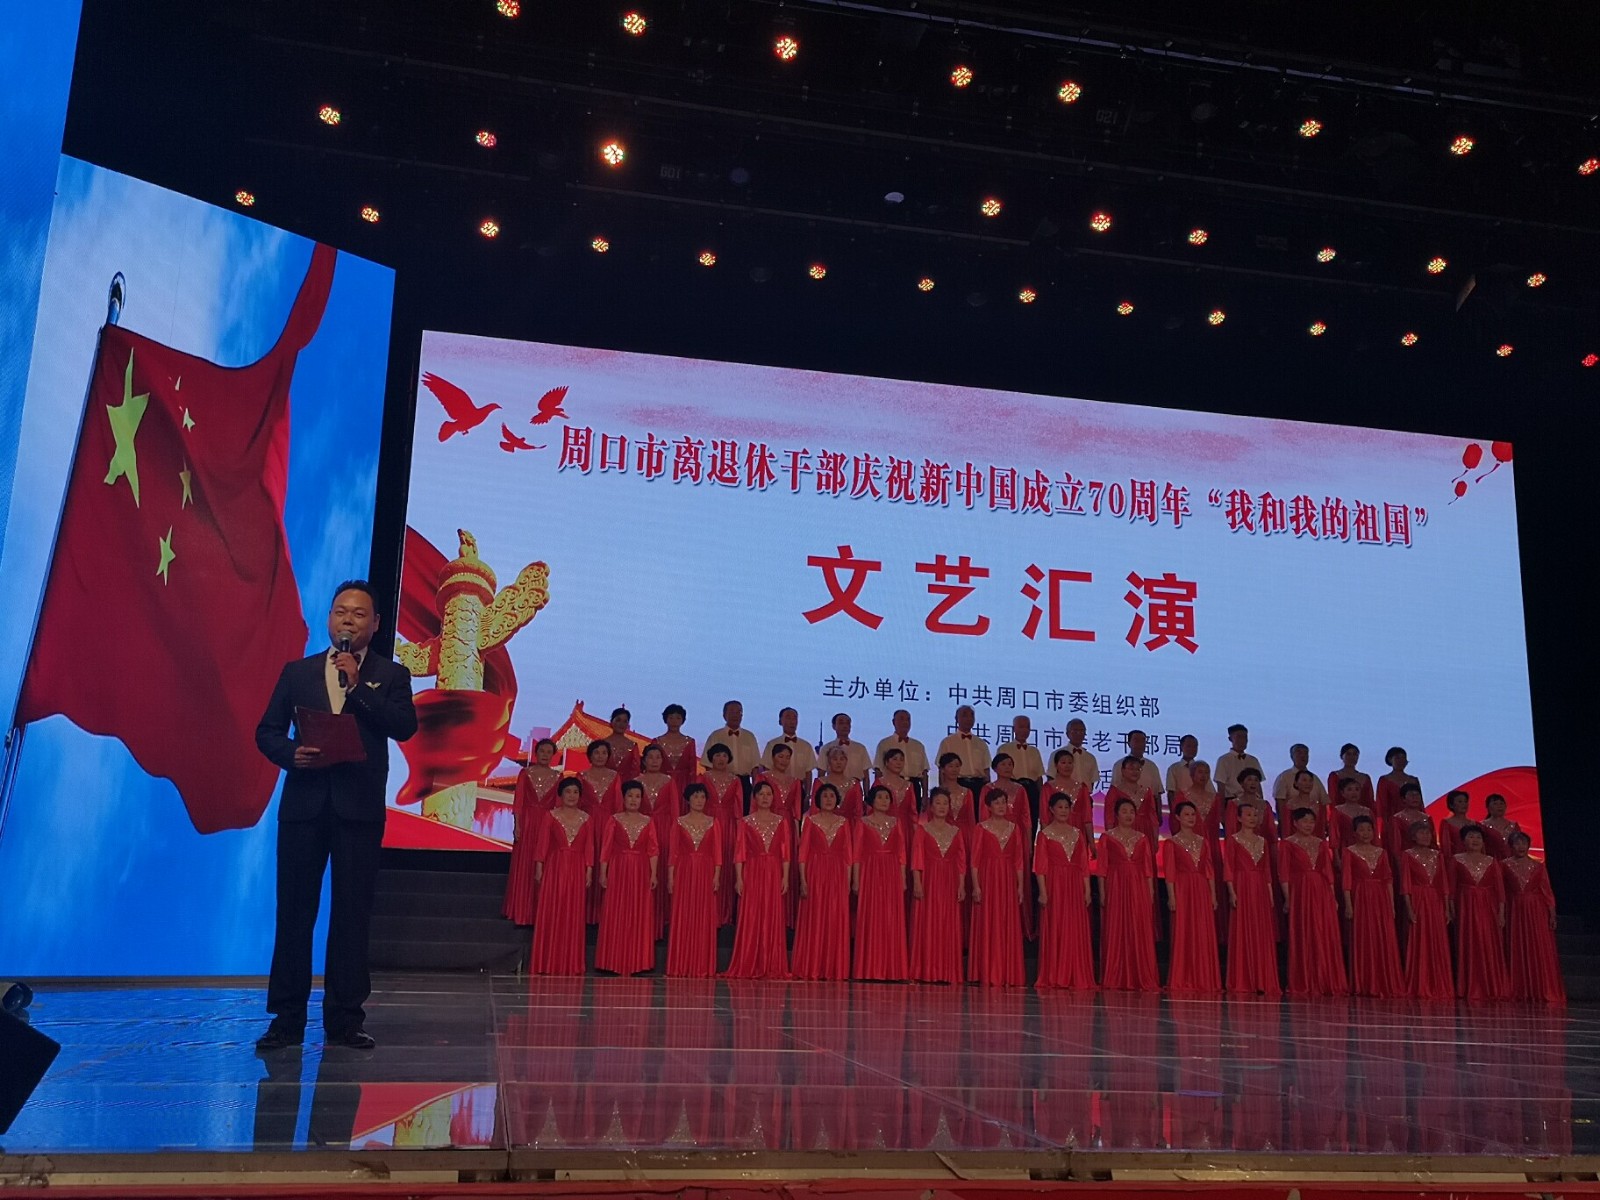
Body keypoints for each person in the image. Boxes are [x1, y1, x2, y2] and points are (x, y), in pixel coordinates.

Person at [254, 580, 418, 1052]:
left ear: (376, 624)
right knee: (294, 914)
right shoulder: (298, 672)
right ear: (329, 618)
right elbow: (267, 732)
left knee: (351, 916)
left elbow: (404, 727)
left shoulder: (390, 675)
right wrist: (291, 754)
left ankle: (345, 1019)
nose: (348, 619)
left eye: (359, 613)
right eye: (341, 611)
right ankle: (286, 1019)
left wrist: (358, 686)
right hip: (304, 808)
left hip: (358, 811)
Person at [724, 780, 791, 979]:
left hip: (773, 871)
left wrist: (785, 877)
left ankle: (771, 962)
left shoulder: (781, 822)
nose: (765, 798)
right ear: (754, 797)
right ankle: (748, 960)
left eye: (769, 794)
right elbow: (740, 853)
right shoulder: (745, 822)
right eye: (761, 794)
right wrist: (739, 878)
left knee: (772, 913)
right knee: (751, 914)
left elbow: (786, 854)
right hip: (752, 871)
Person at [529, 778, 594, 977]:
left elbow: (589, 847)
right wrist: (539, 867)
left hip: (577, 868)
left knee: (573, 913)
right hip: (555, 868)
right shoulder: (551, 816)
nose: (572, 796)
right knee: (552, 910)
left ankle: (570, 962)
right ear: (561, 794)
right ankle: (547, 960)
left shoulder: (587, 819)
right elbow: (542, 844)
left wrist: (589, 870)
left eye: (575, 792)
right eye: (568, 791)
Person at [1278, 807, 1347, 997]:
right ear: (1295, 823)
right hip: (1301, 891)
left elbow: (1328, 872)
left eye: (1311, 821)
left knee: (1324, 932)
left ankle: (1327, 979)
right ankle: (1306, 979)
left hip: (1322, 891)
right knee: (1305, 931)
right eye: (1305, 821)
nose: (1309, 825)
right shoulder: (1287, 844)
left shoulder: (1321, 843)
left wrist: (1333, 896)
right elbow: (1284, 873)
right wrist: (1288, 898)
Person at [595, 780, 659, 976]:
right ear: (623, 798)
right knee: (617, 910)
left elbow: (653, 850)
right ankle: (612, 960)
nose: (633, 800)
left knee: (639, 911)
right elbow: (606, 848)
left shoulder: (648, 821)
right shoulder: (614, 820)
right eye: (630, 796)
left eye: (637, 796)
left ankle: (638, 961)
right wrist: (603, 872)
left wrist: (654, 873)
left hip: (640, 870)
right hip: (619, 869)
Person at [1033, 792, 1095, 990]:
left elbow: (1084, 865)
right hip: (1055, 885)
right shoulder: (1044, 835)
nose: (1063, 811)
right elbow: (1040, 867)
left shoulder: (1078, 833)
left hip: (1075, 885)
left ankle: (1076, 973)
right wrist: (1043, 892)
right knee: (1057, 926)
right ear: (1051, 809)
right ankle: (1056, 973)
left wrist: (1087, 890)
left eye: (1066, 807)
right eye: (1059, 807)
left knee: (1075, 928)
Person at [792, 783, 852, 980]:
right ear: (818, 799)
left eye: (832, 796)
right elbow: (803, 853)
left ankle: (833, 967)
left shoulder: (843, 822)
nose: (828, 799)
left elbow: (848, 855)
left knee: (835, 917)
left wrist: (848, 881)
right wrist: (803, 880)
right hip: (816, 872)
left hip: (837, 873)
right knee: (815, 916)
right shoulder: (810, 821)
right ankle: (813, 965)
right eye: (825, 795)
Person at [1098, 798, 1158, 991]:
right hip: (1116, 884)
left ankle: (1140, 974)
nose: (1129, 815)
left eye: (1131, 811)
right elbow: (1102, 869)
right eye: (1124, 811)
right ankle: (1116, 975)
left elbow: (1148, 869)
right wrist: (1103, 892)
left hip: (1138, 886)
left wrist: (1150, 891)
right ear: (1116, 814)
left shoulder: (1142, 838)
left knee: (1138, 926)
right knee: (1117, 926)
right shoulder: (1107, 837)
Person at [968, 788, 1025, 986]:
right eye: (997, 803)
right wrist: (976, 886)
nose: (1001, 806)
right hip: (988, 878)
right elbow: (975, 861)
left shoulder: (1014, 828)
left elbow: (1019, 861)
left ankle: (1008, 972)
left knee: (1007, 921)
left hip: (1007, 879)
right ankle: (988, 970)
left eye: (1003, 802)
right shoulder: (981, 828)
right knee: (989, 921)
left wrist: (1020, 886)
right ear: (989, 807)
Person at [1341, 815, 1403, 998]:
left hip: (1381, 898)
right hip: (1361, 897)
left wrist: (1391, 905)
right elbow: (1346, 881)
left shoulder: (1381, 852)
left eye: (1369, 829)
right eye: (1361, 829)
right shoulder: (1349, 852)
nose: (1366, 833)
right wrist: (1349, 905)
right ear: (1354, 832)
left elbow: (1388, 879)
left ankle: (1386, 980)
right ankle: (1365, 982)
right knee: (1364, 937)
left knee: (1383, 937)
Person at [909, 788, 968, 984]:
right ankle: (926, 970)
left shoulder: (956, 831)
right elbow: (917, 858)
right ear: (931, 807)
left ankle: (948, 971)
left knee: (947, 923)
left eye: (945, 803)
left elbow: (961, 862)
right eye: (938, 803)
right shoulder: (922, 830)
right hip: (929, 880)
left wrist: (961, 885)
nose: (942, 807)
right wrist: (917, 882)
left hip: (950, 881)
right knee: (929, 922)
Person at [1222, 800, 1279, 997]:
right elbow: (1229, 868)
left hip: (1260, 888)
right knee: (1243, 928)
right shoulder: (1233, 840)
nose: (1252, 818)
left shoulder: (1263, 841)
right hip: (1242, 886)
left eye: (1255, 815)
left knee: (1261, 931)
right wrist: (1232, 892)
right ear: (1239, 818)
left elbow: (1267, 871)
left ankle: (1263, 979)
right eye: (1248, 815)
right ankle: (1244, 978)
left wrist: (1270, 893)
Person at [1163, 800, 1221, 993]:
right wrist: (1172, 896)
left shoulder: (1203, 841)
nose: (1190, 818)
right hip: (1183, 889)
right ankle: (1184, 976)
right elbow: (1170, 872)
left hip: (1201, 889)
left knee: (1203, 931)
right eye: (1186, 814)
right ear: (1177, 817)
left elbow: (1209, 870)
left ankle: (1204, 977)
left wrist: (1213, 895)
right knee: (1184, 931)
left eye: (1193, 814)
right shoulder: (1171, 843)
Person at [853, 784, 909, 981]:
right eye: (880, 797)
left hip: (891, 872)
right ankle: (869, 968)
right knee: (871, 916)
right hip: (871, 872)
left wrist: (903, 878)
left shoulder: (896, 822)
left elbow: (901, 853)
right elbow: (857, 854)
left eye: (887, 797)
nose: (884, 801)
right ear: (872, 800)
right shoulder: (863, 822)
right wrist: (856, 880)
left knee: (891, 917)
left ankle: (892, 968)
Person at [665, 783, 721, 978]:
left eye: (702, 797)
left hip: (705, 871)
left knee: (703, 915)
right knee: (684, 914)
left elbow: (717, 853)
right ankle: (681, 963)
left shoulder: (713, 822)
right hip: (684, 871)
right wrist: (671, 877)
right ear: (688, 799)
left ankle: (702, 964)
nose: (699, 800)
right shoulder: (679, 822)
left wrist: (716, 875)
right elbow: (673, 852)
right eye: (695, 796)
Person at [504, 737, 560, 926]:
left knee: (542, 866)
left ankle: (539, 913)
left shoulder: (558, 777)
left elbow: (558, 806)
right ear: (536, 753)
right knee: (524, 865)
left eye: (549, 752)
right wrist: (517, 825)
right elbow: (519, 801)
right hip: (527, 823)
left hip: (547, 824)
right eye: (542, 751)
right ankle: (520, 911)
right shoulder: (525, 773)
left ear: (553, 755)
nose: (545, 755)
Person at [1451, 824, 1510, 1001]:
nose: (1475, 840)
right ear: (1463, 841)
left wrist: (1501, 913)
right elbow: (1451, 888)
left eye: (1478, 837)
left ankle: (1492, 985)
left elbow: (1500, 890)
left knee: (1488, 943)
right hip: (1466, 906)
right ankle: (1470, 986)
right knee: (1469, 942)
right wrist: (1451, 909)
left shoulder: (1492, 861)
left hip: (1488, 906)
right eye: (1470, 837)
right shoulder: (1456, 860)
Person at [1504, 831, 1564, 1004]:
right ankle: (1520, 988)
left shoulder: (1538, 866)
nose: (1521, 846)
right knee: (1517, 946)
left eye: (1524, 843)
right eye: (1517, 843)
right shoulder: (1503, 865)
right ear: (1511, 846)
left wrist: (1551, 913)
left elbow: (1547, 891)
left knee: (1538, 947)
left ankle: (1541, 988)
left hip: (1536, 911)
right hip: (1515, 909)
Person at [1398, 821, 1454, 1002]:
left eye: (1428, 833)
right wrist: (1409, 908)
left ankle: (1440, 983)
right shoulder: (1407, 855)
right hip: (1418, 899)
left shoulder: (1438, 855)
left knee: (1438, 940)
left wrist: (1446, 908)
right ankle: (1420, 983)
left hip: (1435, 900)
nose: (1425, 836)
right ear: (1413, 836)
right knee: (1420, 938)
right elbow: (1406, 884)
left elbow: (1444, 884)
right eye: (1421, 833)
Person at [635, 744, 681, 939]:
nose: (654, 761)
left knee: (662, 871)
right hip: (641, 830)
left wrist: (674, 835)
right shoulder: (636, 781)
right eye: (650, 757)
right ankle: (643, 920)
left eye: (658, 757)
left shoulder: (669, 782)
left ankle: (661, 920)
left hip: (664, 829)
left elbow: (675, 811)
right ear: (644, 760)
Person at [701, 744, 745, 925]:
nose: (721, 759)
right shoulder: (703, 778)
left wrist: (738, 831)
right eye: (717, 755)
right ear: (711, 757)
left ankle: (725, 914)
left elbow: (738, 808)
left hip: (728, 826)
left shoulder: (735, 780)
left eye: (724, 755)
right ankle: (707, 911)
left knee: (726, 866)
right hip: (707, 824)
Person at [994, 715, 1045, 828]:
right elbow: (999, 773)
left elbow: (1039, 777)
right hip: (1012, 790)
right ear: (1014, 729)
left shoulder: (1034, 751)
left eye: (1027, 727)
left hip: (1031, 791)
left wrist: (1041, 799)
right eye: (1021, 727)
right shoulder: (1004, 749)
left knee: (1031, 824)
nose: (1025, 730)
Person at [701, 700, 761, 790]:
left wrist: (756, 788)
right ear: (724, 715)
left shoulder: (749, 737)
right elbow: (708, 764)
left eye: (739, 712)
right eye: (732, 712)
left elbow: (755, 766)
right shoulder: (715, 736)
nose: (735, 715)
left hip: (744, 783)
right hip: (720, 782)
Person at [874, 709, 930, 801]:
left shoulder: (918, 745)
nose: (905, 722)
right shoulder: (884, 744)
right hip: (890, 786)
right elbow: (878, 770)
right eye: (901, 719)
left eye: (908, 719)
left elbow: (924, 772)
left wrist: (925, 795)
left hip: (914, 786)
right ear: (893, 722)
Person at [1042, 749, 1094, 846]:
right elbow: (1044, 817)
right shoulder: (1048, 787)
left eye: (1070, 763)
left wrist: (1092, 843)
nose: (1067, 766)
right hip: (1055, 833)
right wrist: (1045, 841)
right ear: (1056, 765)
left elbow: (1087, 818)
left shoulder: (1082, 788)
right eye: (1063, 763)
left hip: (1078, 832)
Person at [937, 705, 991, 794]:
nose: (969, 719)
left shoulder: (981, 743)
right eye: (964, 715)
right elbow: (941, 769)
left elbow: (986, 769)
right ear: (956, 719)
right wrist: (942, 790)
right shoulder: (947, 742)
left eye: (971, 716)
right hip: (957, 783)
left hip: (979, 785)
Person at [1105, 755, 1158, 844]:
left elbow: (1153, 818)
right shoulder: (1115, 791)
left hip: (1145, 830)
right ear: (1123, 771)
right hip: (1122, 831)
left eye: (1138, 769)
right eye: (1131, 769)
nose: (1135, 772)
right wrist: (1110, 837)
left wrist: (1155, 838)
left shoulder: (1147, 791)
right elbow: (1109, 817)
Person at [1384, 782, 1432, 871]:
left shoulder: (1427, 818)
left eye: (1417, 795)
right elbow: (1396, 845)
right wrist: (1400, 864)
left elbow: (1433, 843)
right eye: (1411, 795)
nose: (1415, 797)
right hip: (1407, 860)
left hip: (1428, 858)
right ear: (1403, 799)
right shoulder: (1397, 818)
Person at [762, 706, 816, 782]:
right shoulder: (772, 744)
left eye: (794, 718)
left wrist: (807, 790)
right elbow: (767, 768)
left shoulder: (806, 746)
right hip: (777, 784)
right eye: (788, 718)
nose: (792, 721)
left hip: (800, 785)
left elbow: (808, 772)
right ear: (780, 721)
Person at [877, 747, 919, 842]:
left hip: (905, 829)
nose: (899, 762)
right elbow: (872, 809)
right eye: (895, 759)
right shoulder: (879, 783)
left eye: (901, 759)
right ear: (886, 762)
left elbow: (913, 812)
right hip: (884, 828)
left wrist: (915, 832)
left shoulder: (909, 785)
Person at [819, 712, 872, 786]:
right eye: (841, 723)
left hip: (855, 789)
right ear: (834, 726)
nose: (845, 726)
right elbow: (821, 774)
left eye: (848, 723)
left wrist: (867, 793)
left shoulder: (860, 748)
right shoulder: (826, 748)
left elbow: (866, 775)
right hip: (832, 789)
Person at [656, 703, 698, 795]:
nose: (674, 721)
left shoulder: (690, 742)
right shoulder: (657, 742)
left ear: (683, 720)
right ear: (665, 719)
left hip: (684, 785)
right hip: (662, 784)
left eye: (678, 718)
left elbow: (692, 769)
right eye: (671, 718)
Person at [816, 744, 865, 823]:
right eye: (835, 759)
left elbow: (859, 812)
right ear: (829, 761)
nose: (838, 762)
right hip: (824, 825)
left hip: (850, 827)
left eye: (842, 759)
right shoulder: (820, 783)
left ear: (846, 761)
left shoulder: (854, 784)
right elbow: (815, 811)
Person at [1214, 723, 1263, 802]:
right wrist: (1221, 806)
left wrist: (1261, 802)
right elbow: (1221, 786)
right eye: (1239, 737)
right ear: (1230, 739)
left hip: (1253, 800)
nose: (1242, 740)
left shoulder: (1253, 760)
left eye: (1245, 737)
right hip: (1232, 800)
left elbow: (1258, 785)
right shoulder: (1224, 760)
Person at [1271, 743, 1327, 812]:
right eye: (1299, 753)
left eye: (1305, 753)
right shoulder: (1284, 777)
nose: (1303, 756)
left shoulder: (1315, 778)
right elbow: (1280, 802)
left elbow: (1324, 801)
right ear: (1292, 756)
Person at [1328, 775, 1374, 857]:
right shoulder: (1337, 811)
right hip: (1344, 849)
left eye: (1357, 789)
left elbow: (1374, 836)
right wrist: (1336, 856)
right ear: (1342, 793)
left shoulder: (1368, 811)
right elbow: (1334, 835)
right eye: (1349, 789)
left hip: (1366, 851)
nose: (1354, 792)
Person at [759, 742, 803, 823]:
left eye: (787, 757)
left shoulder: (795, 782)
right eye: (780, 756)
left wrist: (796, 830)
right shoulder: (763, 777)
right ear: (773, 757)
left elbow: (796, 812)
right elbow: (755, 804)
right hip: (768, 821)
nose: (784, 761)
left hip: (788, 822)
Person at [936, 751, 977, 836]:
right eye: (950, 766)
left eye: (957, 766)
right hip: (943, 834)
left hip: (964, 835)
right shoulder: (937, 793)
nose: (954, 769)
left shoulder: (967, 792)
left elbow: (971, 819)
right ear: (942, 769)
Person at [1375, 746, 1419, 823]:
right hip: (1391, 821)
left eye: (1403, 758)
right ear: (1390, 760)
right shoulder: (1384, 780)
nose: (1401, 761)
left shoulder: (1413, 780)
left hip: (1413, 821)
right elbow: (1381, 805)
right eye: (1397, 758)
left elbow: (1419, 804)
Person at [1326, 743, 1375, 812]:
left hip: (1362, 815)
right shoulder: (1334, 776)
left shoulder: (1365, 778)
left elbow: (1370, 801)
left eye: (1355, 754)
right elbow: (1333, 799)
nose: (1352, 757)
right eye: (1348, 754)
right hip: (1341, 813)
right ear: (1342, 757)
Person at [577, 739, 622, 815]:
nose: (600, 756)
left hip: (610, 819)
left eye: (604, 753)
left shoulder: (615, 776)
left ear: (608, 756)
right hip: (587, 818)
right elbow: (577, 801)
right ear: (590, 755)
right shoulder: (581, 776)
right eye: (596, 752)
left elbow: (618, 803)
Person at [1123, 730, 1165, 801]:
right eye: (1136, 741)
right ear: (1129, 743)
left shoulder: (1152, 766)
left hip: (1148, 806)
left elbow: (1157, 794)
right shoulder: (1119, 765)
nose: (1140, 744)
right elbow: (1114, 790)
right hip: (1126, 806)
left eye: (1143, 741)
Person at [603, 707, 640, 781]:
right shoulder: (603, 744)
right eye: (618, 720)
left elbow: (636, 770)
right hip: (605, 783)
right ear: (611, 722)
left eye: (625, 721)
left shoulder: (633, 746)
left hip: (626, 785)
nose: (621, 724)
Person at [1480, 793, 1521, 860]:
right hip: (1490, 862)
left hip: (1511, 862)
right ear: (1488, 807)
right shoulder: (1482, 826)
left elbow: (1519, 845)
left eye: (1501, 803)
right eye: (1495, 804)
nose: (1499, 806)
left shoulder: (1514, 826)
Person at [1062, 719, 1098, 793]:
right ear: (1067, 734)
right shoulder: (1057, 754)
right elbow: (1051, 777)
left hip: (1085, 796)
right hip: (1063, 796)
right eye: (1075, 731)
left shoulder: (1090, 757)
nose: (1078, 734)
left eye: (1082, 731)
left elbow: (1092, 781)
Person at [1165, 734, 1204, 801]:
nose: (1192, 749)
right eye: (1189, 746)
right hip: (1181, 805)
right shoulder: (1173, 768)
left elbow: (1210, 791)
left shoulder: (1202, 768)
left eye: (1195, 746)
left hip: (1200, 805)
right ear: (1181, 748)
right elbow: (1171, 792)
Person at [1437, 790, 1472, 859]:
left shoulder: (1474, 823)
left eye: (1465, 801)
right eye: (1460, 802)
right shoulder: (1446, 823)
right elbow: (1445, 846)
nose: (1464, 804)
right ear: (1451, 805)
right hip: (1454, 860)